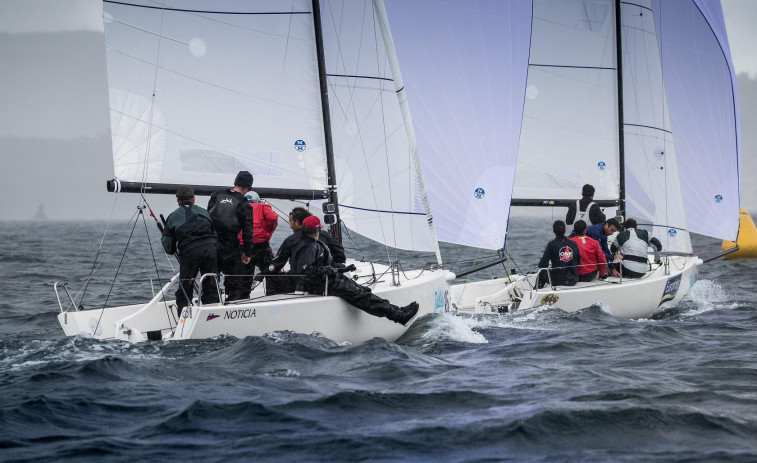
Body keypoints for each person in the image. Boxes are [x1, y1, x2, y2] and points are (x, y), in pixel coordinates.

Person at [291, 216, 419, 325]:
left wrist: (342, 269)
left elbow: (314, 267)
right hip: (323, 284)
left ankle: (398, 310)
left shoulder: (304, 243)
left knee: (363, 290)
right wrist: (327, 270)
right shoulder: (309, 246)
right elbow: (307, 270)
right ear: (316, 231)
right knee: (361, 295)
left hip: (328, 280)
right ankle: (399, 317)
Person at [264, 207, 352, 295]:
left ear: (298, 223)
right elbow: (339, 252)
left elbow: (279, 262)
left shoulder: (292, 240)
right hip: (323, 280)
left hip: (303, 282)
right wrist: (336, 267)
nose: (290, 225)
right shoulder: (324, 234)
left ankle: (274, 306)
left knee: (271, 278)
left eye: (291, 222)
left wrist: (266, 272)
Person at [161, 186, 220, 317]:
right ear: (193, 199)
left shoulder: (173, 216)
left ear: (177, 200)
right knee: (211, 285)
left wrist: (173, 249)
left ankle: (185, 318)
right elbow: (214, 234)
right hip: (210, 250)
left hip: (190, 253)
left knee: (185, 288)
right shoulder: (204, 212)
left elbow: (167, 245)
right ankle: (213, 315)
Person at [207, 170, 254, 301]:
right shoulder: (245, 205)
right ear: (246, 187)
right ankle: (232, 303)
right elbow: (248, 231)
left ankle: (209, 306)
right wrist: (247, 253)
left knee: (210, 279)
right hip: (230, 245)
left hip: (212, 243)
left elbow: (207, 217)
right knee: (235, 282)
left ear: (235, 182)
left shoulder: (216, 195)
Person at [238, 191, 278, 295]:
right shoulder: (262, 206)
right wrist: (268, 231)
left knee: (245, 275)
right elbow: (272, 218)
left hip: (243, 245)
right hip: (261, 244)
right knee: (270, 269)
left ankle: (243, 297)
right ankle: (272, 293)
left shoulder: (238, 206)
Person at [537, 220, 580, 288]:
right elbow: (578, 262)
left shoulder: (551, 245)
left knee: (541, 273)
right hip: (573, 279)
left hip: (558, 280)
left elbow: (543, 264)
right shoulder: (574, 244)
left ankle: (536, 291)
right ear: (565, 230)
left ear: (553, 231)